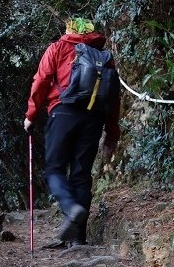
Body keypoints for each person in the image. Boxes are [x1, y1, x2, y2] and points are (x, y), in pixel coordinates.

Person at [24, 17, 121, 246]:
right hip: (94, 118)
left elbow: (41, 81)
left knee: (54, 169)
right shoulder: (103, 57)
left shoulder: (58, 48)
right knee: (81, 175)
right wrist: (112, 133)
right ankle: (77, 239)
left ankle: (70, 209)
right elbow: (114, 97)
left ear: (69, 29)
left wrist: (31, 115)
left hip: (64, 112)